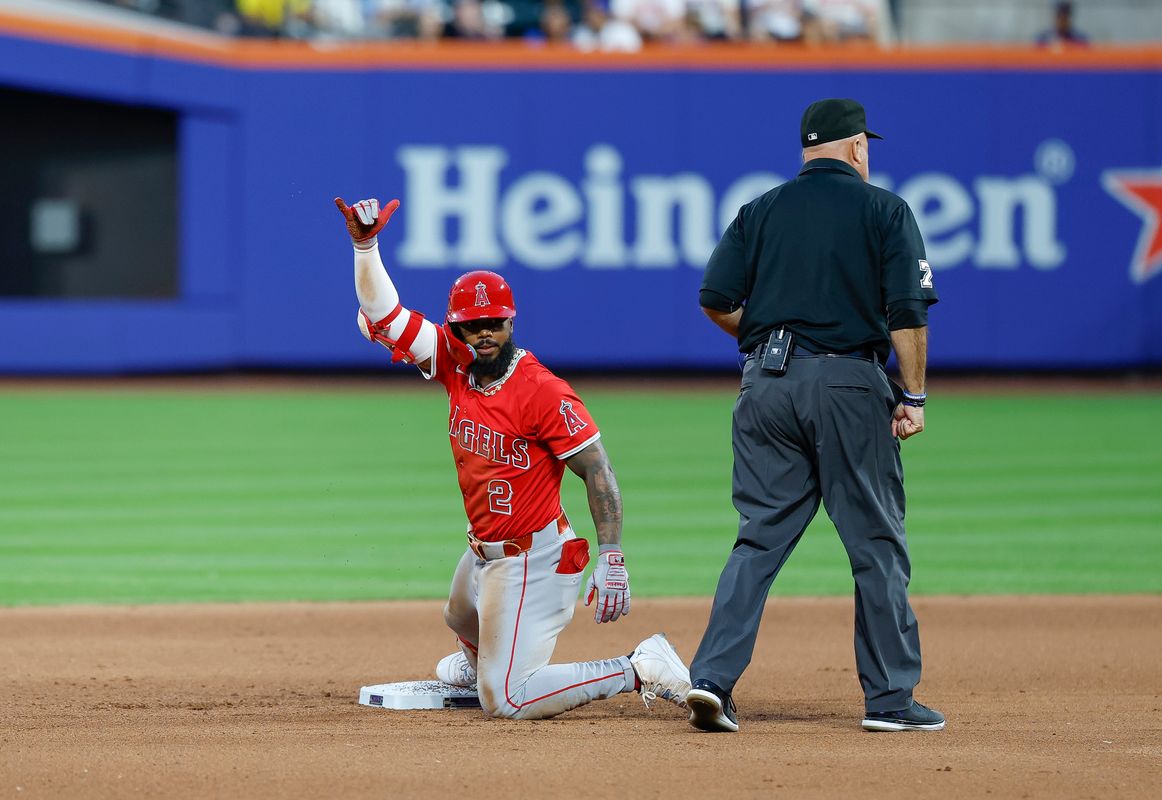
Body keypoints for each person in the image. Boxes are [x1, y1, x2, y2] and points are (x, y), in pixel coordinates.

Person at [333, 196, 691, 720]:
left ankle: (640, 666)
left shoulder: (541, 390)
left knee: (507, 699)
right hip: (485, 553)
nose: (484, 333)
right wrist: (365, 246)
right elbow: (381, 312)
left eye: (494, 322)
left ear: (511, 322)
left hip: (535, 559)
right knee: (457, 613)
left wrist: (612, 557)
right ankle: (482, 658)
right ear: (455, 328)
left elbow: (597, 468)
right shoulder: (453, 362)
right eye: (472, 324)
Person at [685, 98, 943, 733]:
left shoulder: (761, 208)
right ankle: (889, 702)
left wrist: (773, 337)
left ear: (807, 150)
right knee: (876, 543)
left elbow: (715, 299)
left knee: (758, 538)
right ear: (856, 147)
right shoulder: (885, 209)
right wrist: (911, 396)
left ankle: (712, 680)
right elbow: (908, 310)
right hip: (849, 385)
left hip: (765, 386)